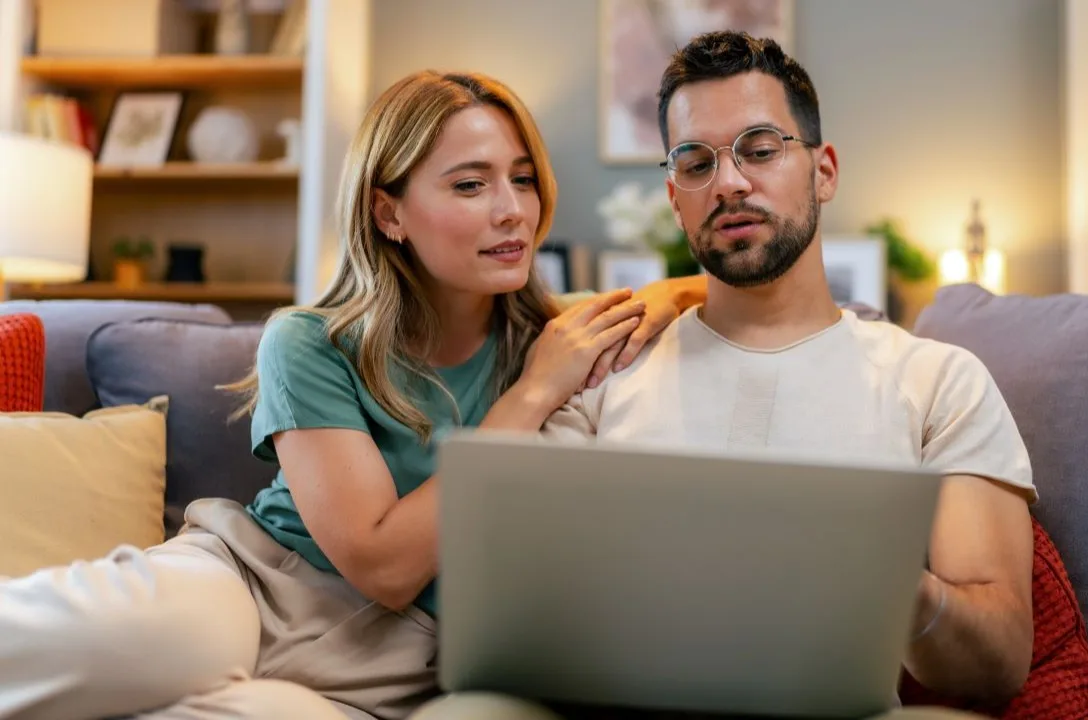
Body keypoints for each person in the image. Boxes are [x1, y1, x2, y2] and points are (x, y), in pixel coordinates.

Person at [0, 70, 709, 720]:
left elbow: (717, 288)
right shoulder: (311, 342)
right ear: (388, 212)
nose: (512, 211)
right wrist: (530, 395)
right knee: (118, 642)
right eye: (470, 185)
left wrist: (673, 287)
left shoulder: (562, 334)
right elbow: (384, 564)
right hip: (255, 585)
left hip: (404, 663)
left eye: (522, 180)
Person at [414, 31, 1035, 720]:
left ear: (823, 171)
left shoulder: (937, 379)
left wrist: (889, 581)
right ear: (675, 197)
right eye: (696, 162)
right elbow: (515, 599)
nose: (730, 182)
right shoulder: (605, 364)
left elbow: (1001, 656)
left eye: (761, 149)